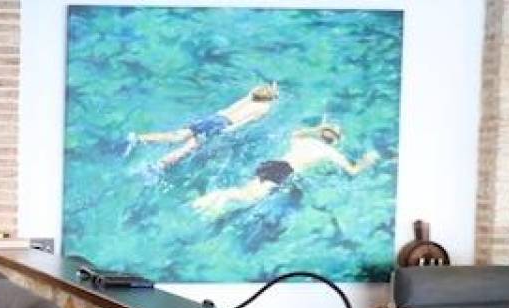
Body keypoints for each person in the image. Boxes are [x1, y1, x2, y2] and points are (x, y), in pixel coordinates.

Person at [190, 123, 378, 218]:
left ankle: (211, 203)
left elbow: (296, 132)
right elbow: (353, 171)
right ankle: (216, 199)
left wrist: (316, 128)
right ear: (336, 141)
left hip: (273, 164)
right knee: (251, 198)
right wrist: (367, 160)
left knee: (248, 191)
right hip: (284, 171)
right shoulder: (331, 152)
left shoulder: (305, 140)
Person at [128, 83, 279, 169]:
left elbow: (253, 92)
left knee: (176, 136)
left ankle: (138, 138)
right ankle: (159, 166)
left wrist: (272, 88)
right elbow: (246, 121)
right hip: (222, 124)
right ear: (270, 98)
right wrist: (228, 131)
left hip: (213, 117)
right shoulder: (264, 108)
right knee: (188, 148)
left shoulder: (250, 98)